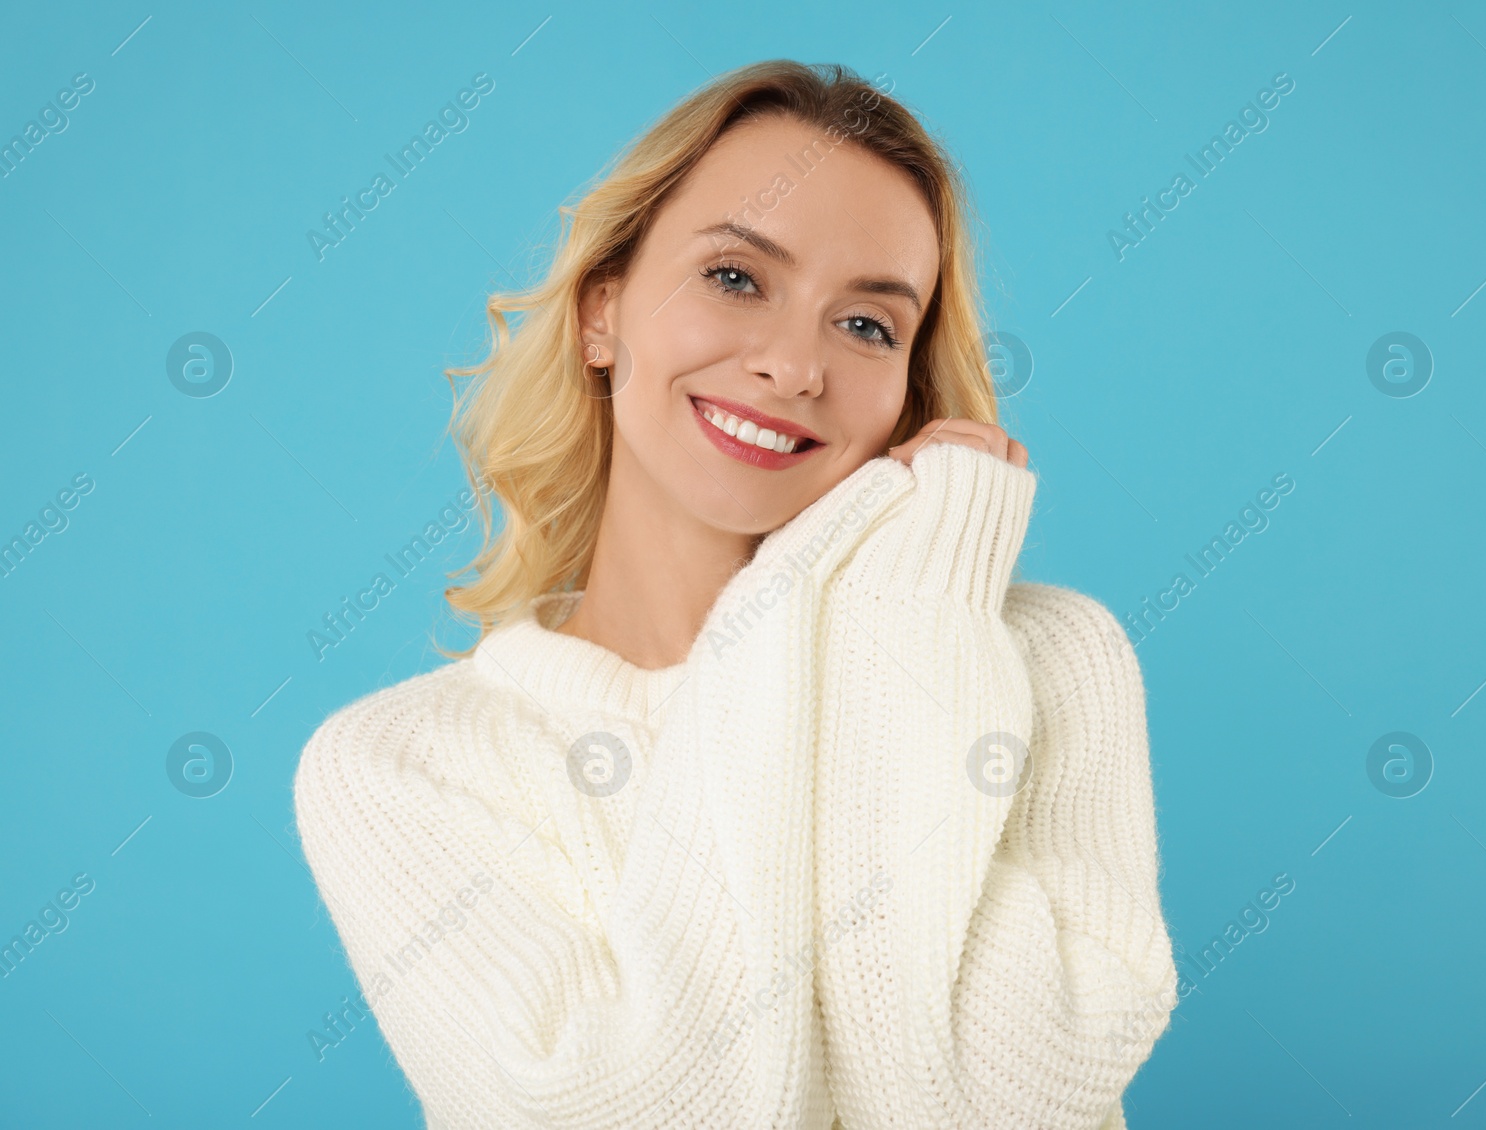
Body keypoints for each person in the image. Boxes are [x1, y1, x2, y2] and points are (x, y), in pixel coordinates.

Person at [294, 58, 1178, 1129]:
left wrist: (894, 619)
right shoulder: (398, 765)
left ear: (908, 390)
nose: (794, 364)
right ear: (601, 312)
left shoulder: (1047, 663)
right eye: (735, 276)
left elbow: (991, 1105)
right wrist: (796, 597)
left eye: (866, 326)